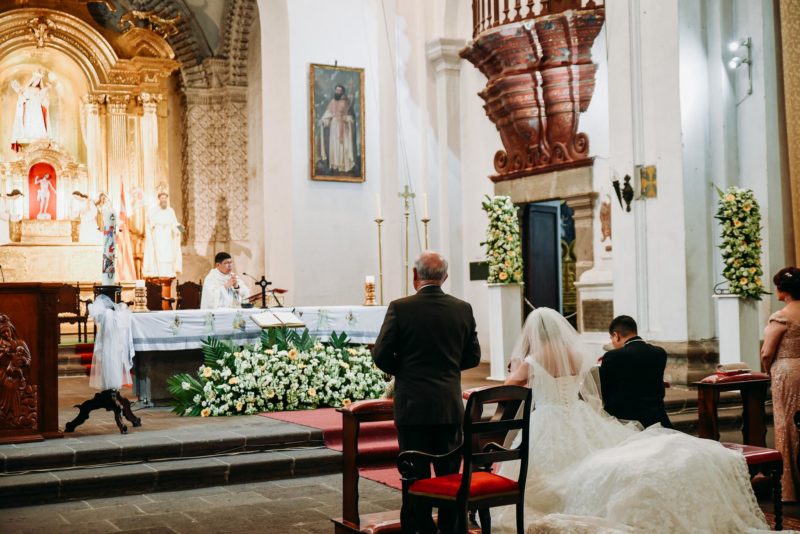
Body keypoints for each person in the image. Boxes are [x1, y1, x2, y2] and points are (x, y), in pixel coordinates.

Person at [497, 307, 769, 532]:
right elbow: (590, 388)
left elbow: (510, 386)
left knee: (544, 470)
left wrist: (520, 370)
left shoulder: (533, 359)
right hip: (578, 416)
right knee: (585, 463)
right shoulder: (576, 354)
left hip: (549, 417)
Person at [372, 250, 481, 533]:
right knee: (449, 476)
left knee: (414, 478)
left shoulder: (400, 307)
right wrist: (447, 368)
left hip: (413, 407)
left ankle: (419, 530)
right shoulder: (462, 308)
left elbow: (381, 355)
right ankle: (451, 530)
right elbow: (473, 357)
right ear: (445, 277)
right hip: (448, 405)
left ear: (414, 276)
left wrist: (406, 370)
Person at [761, 266, 800, 502]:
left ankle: (789, 488)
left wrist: (767, 371)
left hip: (787, 373)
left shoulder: (782, 316)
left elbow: (767, 352)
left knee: (787, 425)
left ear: (782, 290)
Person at [599, 315, 672, 428]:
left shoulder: (613, 356)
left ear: (616, 335)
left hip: (627, 423)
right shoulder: (659, 353)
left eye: (611, 338)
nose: (612, 343)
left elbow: (603, 389)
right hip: (658, 420)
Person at [143, 191, 183, 278]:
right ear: (159, 199)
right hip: (158, 237)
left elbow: (174, 223)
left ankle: (168, 272)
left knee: (168, 255)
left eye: (165, 198)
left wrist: (182, 229)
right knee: (159, 256)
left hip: (168, 238)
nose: (164, 200)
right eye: (162, 198)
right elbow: (150, 223)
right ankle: (158, 272)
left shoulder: (170, 211)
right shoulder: (154, 211)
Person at [319, 84, 356, 173]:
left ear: (342, 92)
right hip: (334, 126)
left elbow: (349, 116)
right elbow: (328, 114)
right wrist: (324, 121)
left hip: (343, 126)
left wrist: (347, 119)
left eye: (339, 90)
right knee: (334, 146)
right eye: (336, 90)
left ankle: (343, 166)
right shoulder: (332, 102)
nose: (338, 92)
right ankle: (335, 164)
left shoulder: (346, 102)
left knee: (342, 145)